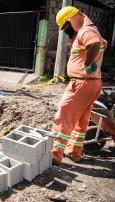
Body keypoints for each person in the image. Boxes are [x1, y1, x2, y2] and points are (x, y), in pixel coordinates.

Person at [51, 6, 107, 163]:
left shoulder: (85, 31)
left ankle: (55, 154)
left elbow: (95, 44)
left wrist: (89, 63)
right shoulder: (91, 29)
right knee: (81, 119)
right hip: (92, 83)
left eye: (66, 27)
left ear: (70, 19)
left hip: (82, 83)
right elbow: (103, 44)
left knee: (64, 116)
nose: (68, 31)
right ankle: (75, 152)